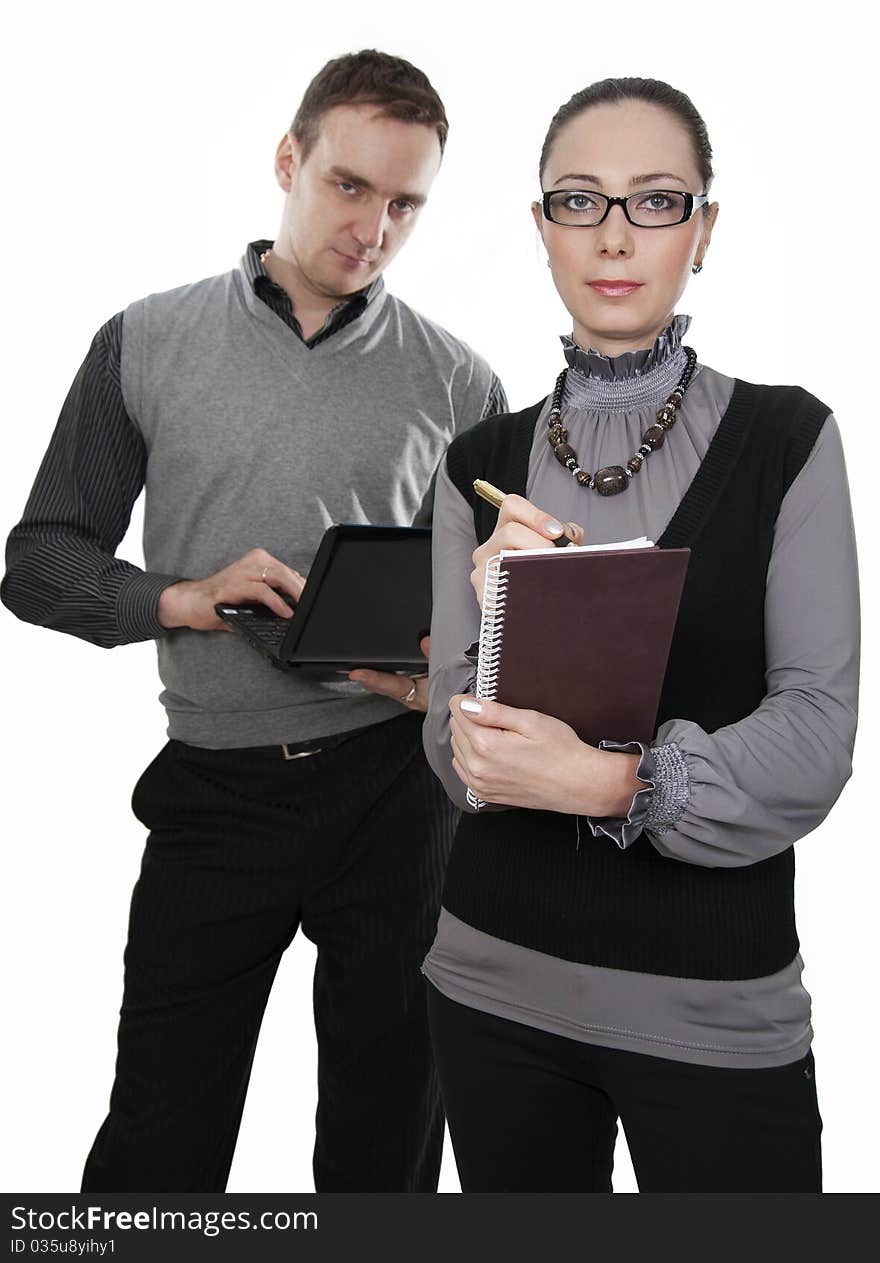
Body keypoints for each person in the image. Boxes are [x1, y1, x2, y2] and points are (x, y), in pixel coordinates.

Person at [1, 49, 505, 1193]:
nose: (372, 226)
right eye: (347, 185)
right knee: (159, 1141)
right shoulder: (146, 340)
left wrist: (440, 678)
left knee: (389, 1137)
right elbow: (39, 559)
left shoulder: (464, 386)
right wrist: (174, 599)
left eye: (404, 203)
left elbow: (501, 613)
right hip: (217, 791)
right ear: (289, 160)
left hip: (396, 796)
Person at [421, 77, 858, 1193]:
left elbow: (813, 743)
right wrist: (505, 619)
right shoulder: (479, 458)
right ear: (541, 228)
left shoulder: (788, 440)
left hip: (713, 1013)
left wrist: (611, 786)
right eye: (579, 201)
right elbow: (447, 747)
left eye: (656, 201)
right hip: (490, 988)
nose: (614, 235)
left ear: (702, 229)